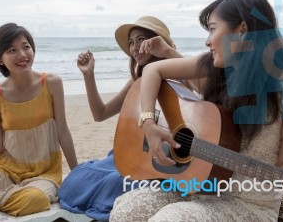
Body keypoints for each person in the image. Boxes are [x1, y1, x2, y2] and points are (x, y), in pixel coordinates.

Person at [110, 0, 283, 221]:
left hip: (250, 203)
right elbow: (152, 70)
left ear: (242, 30)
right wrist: (149, 123)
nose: (207, 40)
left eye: (212, 29)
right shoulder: (217, 67)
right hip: (196, 186)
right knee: (127, 211)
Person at [58, 16, 192, 221]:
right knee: (78, 177)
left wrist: (168, 52)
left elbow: (200, 88)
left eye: (141, 40)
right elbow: (100, 113)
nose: (135, 47)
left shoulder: (179, 74)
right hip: (128, 155)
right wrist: (88, 75)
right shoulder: (137, 80)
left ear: (157, 41)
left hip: (158, 163)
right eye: (131, 42)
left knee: (116, 183)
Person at [0, 23, 78, 217]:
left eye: (26, 47)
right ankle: (4, 196)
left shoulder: (52, 83)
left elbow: (63, 131)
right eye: (12, 50)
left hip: (43, 172)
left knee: (36, 200)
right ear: (0, 58)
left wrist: (77, 173)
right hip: (5, 169)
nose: (22, 55)